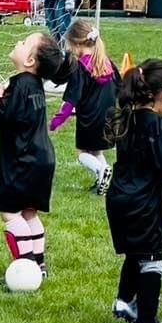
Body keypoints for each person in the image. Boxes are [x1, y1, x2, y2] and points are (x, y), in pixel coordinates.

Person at [104, 59, 162, 323]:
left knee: (135, 251)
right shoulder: (158, 124)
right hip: (144, 203)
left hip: (119, 198)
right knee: (151, 258)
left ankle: (124, 301)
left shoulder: (125, 117)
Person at [0, 32, 71, 276]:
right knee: (29, 212)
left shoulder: (23, 82)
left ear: (30, 62)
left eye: (24, 43)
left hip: (21, 159)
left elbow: (9, 116)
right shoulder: (33, 84)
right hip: (41, 158)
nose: (18, 42)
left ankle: (26, 266)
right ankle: (39, 262)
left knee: (10, 212)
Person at [49, 19, 119, 193]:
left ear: (76, 44)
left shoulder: (79, 68)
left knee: (83, 153)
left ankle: (101, 170)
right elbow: (120, 87)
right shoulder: (107, 63)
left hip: (90, 120)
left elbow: (71, 99)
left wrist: (57, 121)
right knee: (96, 151)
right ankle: (105, 180)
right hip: (109, 118)